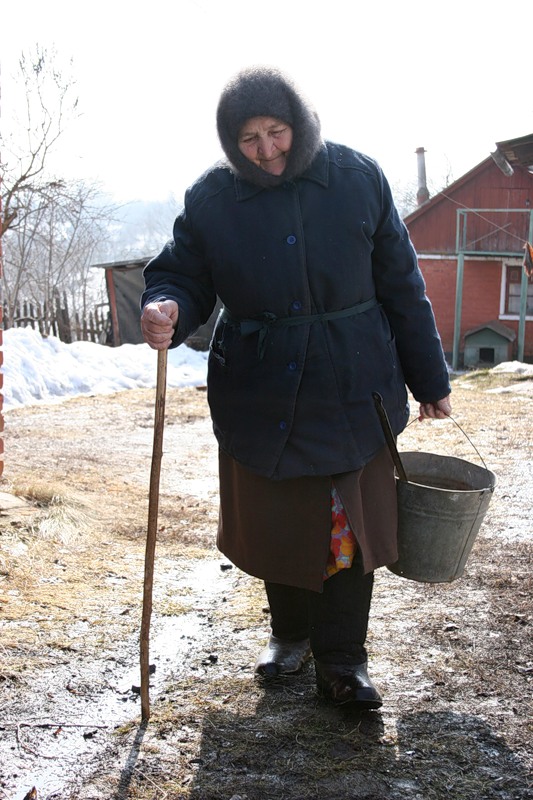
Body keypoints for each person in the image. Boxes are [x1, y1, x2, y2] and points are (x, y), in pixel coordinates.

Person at [140, 66, 452, 710]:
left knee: (347, 527)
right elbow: (183, 276)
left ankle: (343, 661)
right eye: (248, 138)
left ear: (300, 124)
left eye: (276, 131)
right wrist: (166, 304)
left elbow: (402, 283)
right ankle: (289, 634)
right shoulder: (212, 198)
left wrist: (429, 378)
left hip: (352, 381)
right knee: (278, 519)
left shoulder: (357, 178)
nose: (265, 150)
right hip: (259, 386)